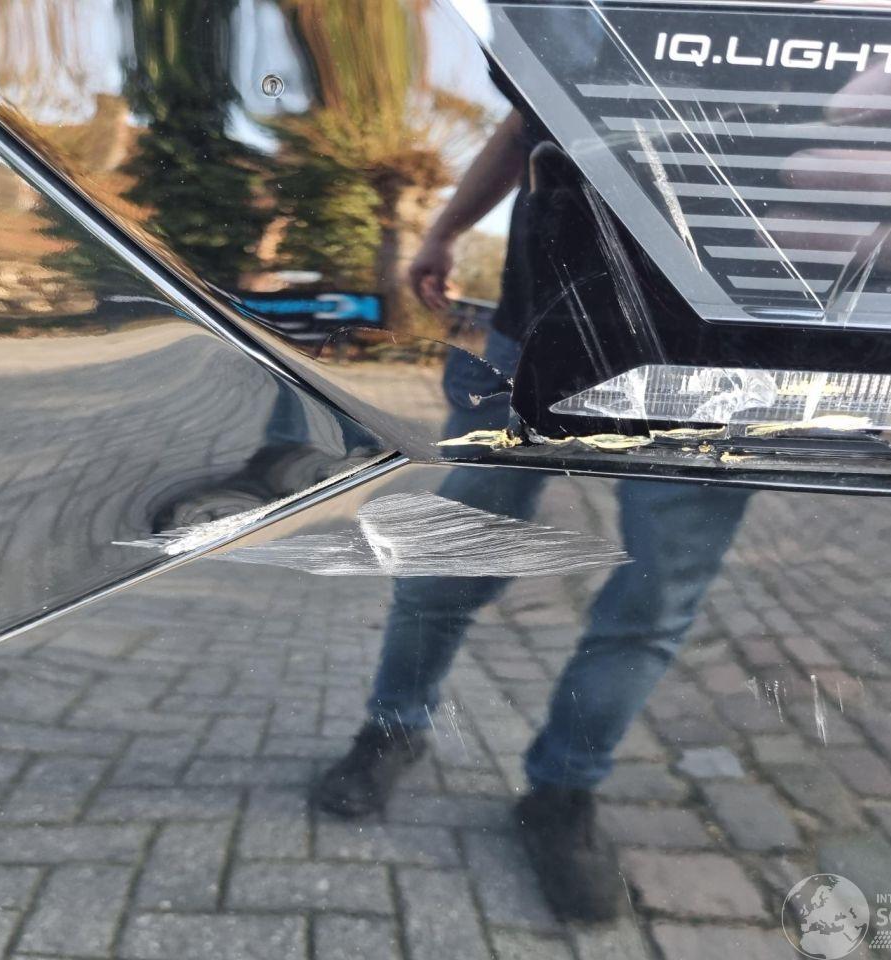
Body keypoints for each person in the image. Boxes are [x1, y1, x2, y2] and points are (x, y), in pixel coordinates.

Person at [310, 105, 752, 921]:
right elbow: (527, 117)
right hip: (544, 320)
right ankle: (393, 727)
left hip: (727, 360)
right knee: (451, 555)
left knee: (655, 599)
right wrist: (446, 228)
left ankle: (561, 793)